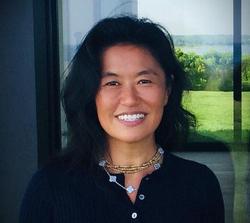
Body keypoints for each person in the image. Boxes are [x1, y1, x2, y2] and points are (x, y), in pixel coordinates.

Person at [19, 16, 224, 223]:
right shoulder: (49, 186)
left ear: (167, 90)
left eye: (144, 81)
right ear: (91, 94)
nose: (129, 99)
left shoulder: (200, 184)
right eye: (112, 83)